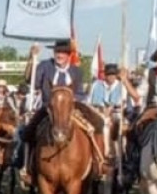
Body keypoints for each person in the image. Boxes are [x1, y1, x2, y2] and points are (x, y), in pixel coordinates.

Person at [19, 40, 106, 181]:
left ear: (68, 55)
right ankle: (27, 166)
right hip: (49, 106)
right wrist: (31, 58)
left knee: (98, 122)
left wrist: (72, 100)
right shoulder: (44, 66)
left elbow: (79, 92)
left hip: (73, 105)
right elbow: (31, 80)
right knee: (28, 130)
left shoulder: (76, 71)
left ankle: (100, 161)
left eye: (63, 52)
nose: (60, 55)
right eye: (57, 52)